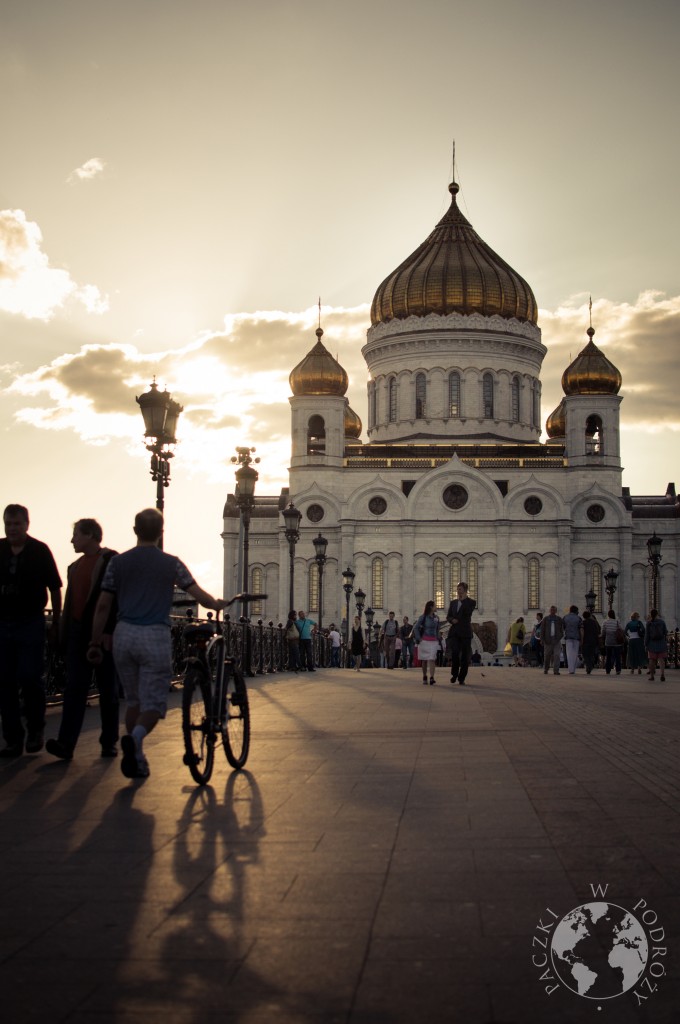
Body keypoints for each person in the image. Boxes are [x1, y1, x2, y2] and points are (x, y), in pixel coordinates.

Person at [88, 508, 226, 779]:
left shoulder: (118, 563)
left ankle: (137, 758)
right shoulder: (170, 563)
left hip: (124, 634)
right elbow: (198, 595)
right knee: (153, 704)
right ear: (161, 532)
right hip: (153, 635)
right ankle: (136, 739)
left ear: (135, 530)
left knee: (134, 701)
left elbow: (103, 605)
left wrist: (94, 642)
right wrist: (216, 603)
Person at [46, 519, 119, 761]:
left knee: (108, 688)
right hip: (78, 634)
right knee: (74, 688)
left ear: (90, 535)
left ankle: (109, 742)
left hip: (102, 634)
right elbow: (71, 604)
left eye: (76, 535)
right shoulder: (74, 567)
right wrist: (63, 633)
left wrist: (108, 631)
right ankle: (66, 744)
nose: (72, 540)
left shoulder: (110, 560)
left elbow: (114, 599)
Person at [0, 504, 62, 757]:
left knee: (29, 677)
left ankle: (36, 728)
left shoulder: (39, 550)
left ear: (26, 524)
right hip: (2, 624)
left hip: (31, 622)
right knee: (4, 682)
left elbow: (55, 588)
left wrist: (57, 622)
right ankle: (13, 739)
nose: (13, 528)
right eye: (8, 524)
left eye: (17, 524)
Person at [446, 582, 476, 685]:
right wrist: (452, 620)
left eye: (460, 589)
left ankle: (461, 677)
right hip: (455, 632)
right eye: (457, 589)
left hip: (465, 633)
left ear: (465, 590)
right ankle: (454, 674)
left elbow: (467, 613)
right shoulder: (453, 603)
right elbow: (448, 616)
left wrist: (463, 600)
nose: (458, 591)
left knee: (464, 656)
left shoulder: (471, 602)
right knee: (455, 654)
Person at [414, 600, 441, 685]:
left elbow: (437, 629)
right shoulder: (423, 617)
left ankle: (432, 677)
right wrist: (419, 638)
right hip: (424, 641)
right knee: (425, 660)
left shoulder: (436, 618)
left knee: (432, 659)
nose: (436, 607)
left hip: (433, 641)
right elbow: (416, 628)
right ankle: (425, 676)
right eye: (435, 606)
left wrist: (437, 638)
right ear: (431, 607)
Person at [539, 606, 564, 675]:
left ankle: (556, 670)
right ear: (550, 611)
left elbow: (562, 630)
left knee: (557, 655)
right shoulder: (546, 619)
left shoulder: (559, 619)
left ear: (556, 611)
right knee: (547, 655)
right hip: (548, 640)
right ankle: (546, 669)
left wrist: (559, 636)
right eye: (551, 610)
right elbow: (542, 630)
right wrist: (542, 639)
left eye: (554, 610)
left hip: (556, 640)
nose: (552, 611)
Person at [645, 609, 668, 682]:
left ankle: (652, 676)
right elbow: (665, 632)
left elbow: (647, 635)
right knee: (661, 660)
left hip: (652, 643)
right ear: (657, 614)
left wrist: (645, 644)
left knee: (652, 660)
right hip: (661, 642)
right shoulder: (662, 622)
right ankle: (662, 674)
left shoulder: (649, 623)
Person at [601, 609, 623, 675]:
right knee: (617, 656)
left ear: (608, 615)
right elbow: (621, 629)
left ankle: (608, 670)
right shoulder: (617, 621)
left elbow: (603, 632)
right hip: (616, 642)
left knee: (608, 656)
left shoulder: (605, 622)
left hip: (608, 641)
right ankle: (618, 670)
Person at [562, 605, 583, 675]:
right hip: (576, 638)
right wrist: (582, 639)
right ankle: (573, 669)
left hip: (568, 637)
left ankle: (570, 669)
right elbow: (581, 629)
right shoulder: (579, 618)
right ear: (576, 611)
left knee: (569, 653)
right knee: (575, 654)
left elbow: (563, 627)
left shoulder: (565, 617)